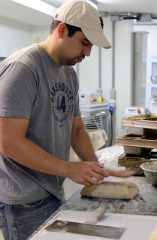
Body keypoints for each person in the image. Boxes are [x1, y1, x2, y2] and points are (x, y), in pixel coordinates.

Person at [0, 0, 134, 239]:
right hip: (22, 200)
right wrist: (69, 168)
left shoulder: (68, 73)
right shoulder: (23, 68)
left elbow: (76, 130)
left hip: (51, 191)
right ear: (62, 30)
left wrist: (96, 171)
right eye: (84, 43)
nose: (88, 53)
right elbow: (8, 142)